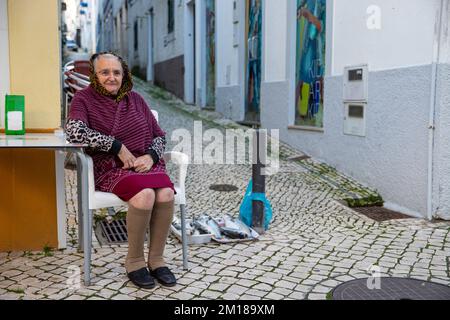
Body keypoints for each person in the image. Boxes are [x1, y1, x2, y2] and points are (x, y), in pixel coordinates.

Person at [65, 52, 177, 289]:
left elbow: (159, 135)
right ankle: (134, 261)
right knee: (145, 194)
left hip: (145, 164)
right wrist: (116, 146)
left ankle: (157, 259)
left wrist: (151, 156)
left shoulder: (135, 99)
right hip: (109, 167)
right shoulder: (83, 100)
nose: (111, 77)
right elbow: (74, 132)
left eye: (116, 72)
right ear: (94, 75)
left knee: (166, 193)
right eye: (104, 72)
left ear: (124, 74)